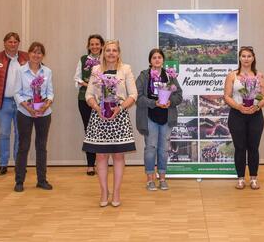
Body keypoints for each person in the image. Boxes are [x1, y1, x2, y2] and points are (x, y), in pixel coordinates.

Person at [82, 40, 137, 207]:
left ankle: (117, 192)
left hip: (119, 118)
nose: (111, 53)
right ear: (103, 53)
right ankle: (104, 191)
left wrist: (119, 108)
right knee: (101, 156)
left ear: (119, 53)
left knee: (119, 156)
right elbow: (88, 94)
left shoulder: (125, 69)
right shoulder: (96, 70)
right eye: (108, 51)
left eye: (114, 50)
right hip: (99, 117)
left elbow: (133, 94)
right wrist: (97, 107)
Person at [136, 48, 183, 191]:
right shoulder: (144, 76)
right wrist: (153, 103)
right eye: (154, 57)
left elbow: (179, 95)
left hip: (166, 118)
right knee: (150, 148)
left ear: (163, 60)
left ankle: (162, 178)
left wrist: (171, 102)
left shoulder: (169, 76)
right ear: (150, 61)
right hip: (150, 117)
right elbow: (137, 97)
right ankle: (150, 179)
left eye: (159, 57)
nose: (157, 60)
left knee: (163, 150)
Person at [0, 32, 29, 176]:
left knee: (20, 134)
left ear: (18, 43)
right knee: (4, 133)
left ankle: (18, 163)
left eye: (15, 42)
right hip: (4, 102)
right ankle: (3, 164)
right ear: (4, 43)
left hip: (22, 103)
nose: (12, 44)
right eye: (10, 42)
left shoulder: (26, 58)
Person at [224, 46, 264, 190]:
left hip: (255, 115)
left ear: (253, 58)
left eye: (249, 56)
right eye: (243, 56)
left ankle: (254, 179)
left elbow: (263, 96)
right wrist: (239, 107)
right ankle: (241, 179)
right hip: (237, 115)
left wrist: (256, 106)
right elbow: (227, 96)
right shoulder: (232, 75)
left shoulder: (259, 76)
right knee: (240, 148)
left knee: (253, 148)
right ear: (239, 58)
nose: (246, 59)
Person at [13, 42, 54, 192]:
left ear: (43, 55)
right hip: (25, 112)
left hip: (44, 113)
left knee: (41, 147)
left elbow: (50, 92)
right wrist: (27, 107)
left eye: (39, 53)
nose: (36, 55)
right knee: (23, 146)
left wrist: (46, 105)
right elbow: (16, 93)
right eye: (34, 52)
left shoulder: (47, 71)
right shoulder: (20, 71)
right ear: (28, 54)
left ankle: (42, 180)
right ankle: (19, 181)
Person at [74, 34, 104, 176]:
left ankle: (102, 163)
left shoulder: (106, 59)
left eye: (97, 44)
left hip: (103, 100)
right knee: (89, 130)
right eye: (92, 44)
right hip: (84, 99)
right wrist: (89, 85)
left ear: (102, 45)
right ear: (88, 46)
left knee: (102, 130)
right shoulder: (83, 59)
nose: (94, 46)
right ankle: (90, 164)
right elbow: (77, 79)